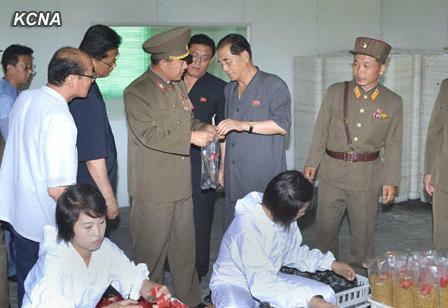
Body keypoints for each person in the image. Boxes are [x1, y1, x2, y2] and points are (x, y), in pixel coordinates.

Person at [124, 27, 215, 307]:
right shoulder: (137, 92)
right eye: (182, 60)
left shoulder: (177, 87)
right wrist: (191, 137)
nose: (188, 65)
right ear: (163, 62)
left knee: (184, 253)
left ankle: (189, 300)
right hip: (153, 188)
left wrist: (204, 128)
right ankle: (146, 301)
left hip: (180, 186)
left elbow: (188, 123)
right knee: (149, 255)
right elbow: (148, 134)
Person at [0, 47, 95, 305]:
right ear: (72, 79)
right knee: (48, 290)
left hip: (19, 213)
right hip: (45, 223)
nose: (92, 80)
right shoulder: (60, 118)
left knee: (26, 283)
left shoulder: (26, 98)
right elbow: (58, 190)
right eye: (90, 75)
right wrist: (84, 225)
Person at [304, 37, 403, 272]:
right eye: (356, 63)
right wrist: (312, 162)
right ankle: (327, 272)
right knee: (325, 230)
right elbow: (321, 130)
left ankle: (358, 276)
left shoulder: (392, 102)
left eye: (366, 65)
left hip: (367, 177)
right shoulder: (336, 92)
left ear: (382, 68)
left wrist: (390, 180)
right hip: (331, 173)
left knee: (363, 233)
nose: (360, 70)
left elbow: (394, 144)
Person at [210, 170, 355, 308]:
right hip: (234, 283)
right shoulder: (247, 229)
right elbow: (262, 284)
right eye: (302, 211)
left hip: (269, 276)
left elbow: (293, 253)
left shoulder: (280, 213)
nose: (304, 214)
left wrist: (331, 264)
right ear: (286, 212)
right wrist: (310, 300)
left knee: (326, 295)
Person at [23, 184, 170, 307]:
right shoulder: (53, 264)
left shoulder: (104, 248)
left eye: (101, 222)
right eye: (88, 227)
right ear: (68, 226)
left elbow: (132, 277)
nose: (97, 233)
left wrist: (153, 292)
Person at [215, 34, 291, 230]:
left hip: (262, 176)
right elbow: (226, 131)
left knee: (264, 233)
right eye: (220, 63)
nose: (224, 68)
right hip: (234, 174)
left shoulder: (273, 85)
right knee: (235, 233)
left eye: (228, 62)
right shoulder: (229, 89)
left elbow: (282, 125)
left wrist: (243, 124)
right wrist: (223, 167)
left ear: (245, 56)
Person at [184, 33, 225, 281]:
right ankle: (171, 262)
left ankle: (199, 267)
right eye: (194, 56)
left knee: (201, 215)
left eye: (205, 58)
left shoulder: (218, 87)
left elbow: (223, 131)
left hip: (203, 160)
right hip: (170, 158)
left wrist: (220, 169)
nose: (197, 62)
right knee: (173, 215)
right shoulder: (170, 80)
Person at [69, 25, 121, 221]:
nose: (113, 66)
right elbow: (93, 158)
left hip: (88, 186)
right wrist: (109, 198)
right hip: (90, 189)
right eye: (111, 61)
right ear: (94, 59)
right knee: (92, 240)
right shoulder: (85, 95)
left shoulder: (84, 84)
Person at [0, 44, 34, 288]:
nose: (30, 72)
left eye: (32, 67)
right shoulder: (5, 97)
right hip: (8, 166)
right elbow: (11, 136)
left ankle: (12, 266)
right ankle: (12, 267)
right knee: (11, 219)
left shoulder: (14, 93)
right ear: (9, 67)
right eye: (26, 67)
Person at [424, 79, 448, 250]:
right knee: (443, 237)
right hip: (444, 173)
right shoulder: (447, 86)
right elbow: (436, 131)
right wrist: (430, 170)